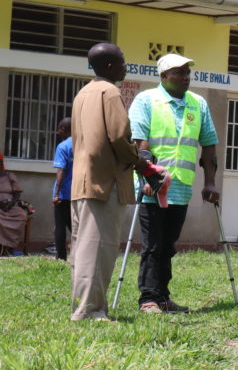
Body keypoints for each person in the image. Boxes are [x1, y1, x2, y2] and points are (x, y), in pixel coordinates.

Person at [70, 42, 159, 321]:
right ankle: (90, 311)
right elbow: (120, 137)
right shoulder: (110, 92)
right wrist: (141, 163)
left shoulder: (83, 93)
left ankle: (84, 306)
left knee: (83, 250)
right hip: (104, 183)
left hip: (83, 181)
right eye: (122, 61)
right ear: (109, 66)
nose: (126, 66)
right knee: (99, 250)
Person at [128, 53, 219, 314]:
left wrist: (210, 182)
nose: (185, 77)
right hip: (152, 186)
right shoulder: (147, 100)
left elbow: (209, 144)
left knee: (168, 246)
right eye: (178, 72)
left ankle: (163, 297)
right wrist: (148, 176)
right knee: (153, 244)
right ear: (164, 76)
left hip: (181, 187)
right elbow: (140, 144)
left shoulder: (198, 104)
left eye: (187, 72)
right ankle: (148, 299)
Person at [0, 153, 34, 256]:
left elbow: (17, 193)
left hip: (10, 204)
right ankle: (2, 247)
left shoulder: (9, 176)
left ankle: (11, 247)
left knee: (21, 215)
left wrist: (11, 203)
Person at [52, 117, 73, 261]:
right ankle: (82, 256)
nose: (58, 131)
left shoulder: (63, 147)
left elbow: (60, 171)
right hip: (79, 193)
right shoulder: (83, 145)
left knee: (60, 227)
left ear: (63, 128)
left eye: (59, 128)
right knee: (76, 227)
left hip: (64, 193)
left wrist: (57, 193)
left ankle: (61, 257)